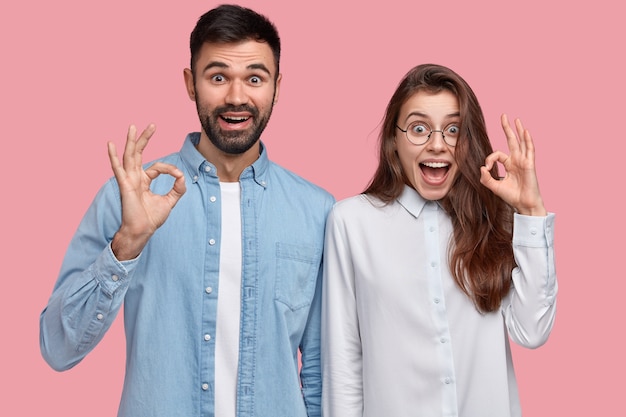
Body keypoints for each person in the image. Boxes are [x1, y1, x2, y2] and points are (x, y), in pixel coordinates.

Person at [39, 5, 334, 417]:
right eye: (217, 77)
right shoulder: (128, 198)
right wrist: (127, 245)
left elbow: (322, 374)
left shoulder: (318, 212)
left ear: (277, 86)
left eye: (254, 78)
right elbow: (57, 347)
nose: (236, 97)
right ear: (190, 84)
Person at [321, 63, 557, 417]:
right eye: (419, 129)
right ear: (394, 140)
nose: (437, 145)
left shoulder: (496, 218)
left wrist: (530, 210)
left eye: (453, 130)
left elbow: (532, 331)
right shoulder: (351, 223)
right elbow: (343, 363)